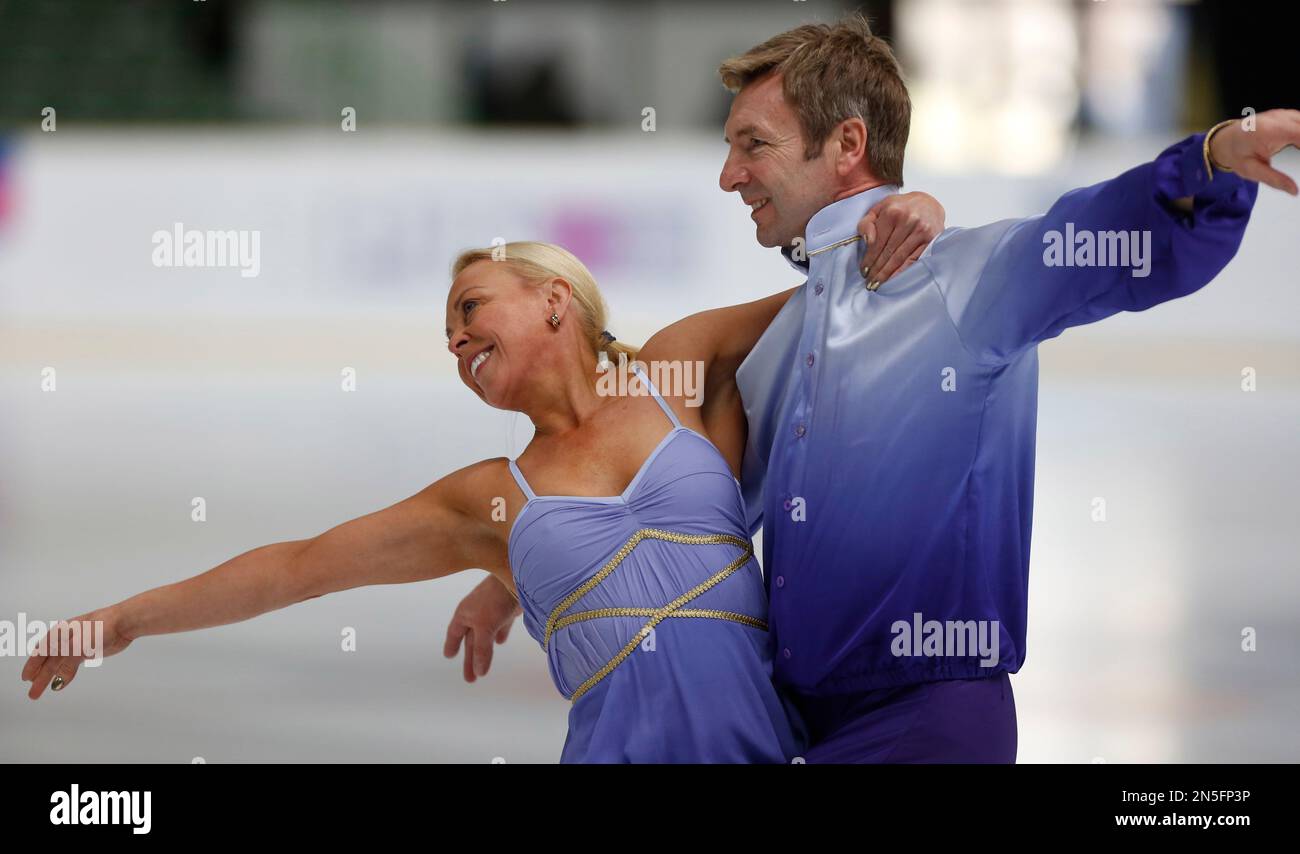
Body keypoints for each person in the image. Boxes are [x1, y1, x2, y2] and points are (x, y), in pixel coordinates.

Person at [446, 13, 1299, 762]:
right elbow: (681, 512)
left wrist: (1210, 162)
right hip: (802, 728)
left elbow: (1094, 237)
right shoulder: (779, 342)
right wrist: (508, 582)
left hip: (929, 722)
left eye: (754, 144)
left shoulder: (960, 278)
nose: (728, 175)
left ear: (847, 145)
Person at [20, 198, 946, 762]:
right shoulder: (489, 500)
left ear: (554, 297)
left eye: (470, 310)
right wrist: (125, 618)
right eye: (449, 339)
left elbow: (844, 291)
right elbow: (297, 566)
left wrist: (916, 216)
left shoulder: (676, 370)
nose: (458, 341)